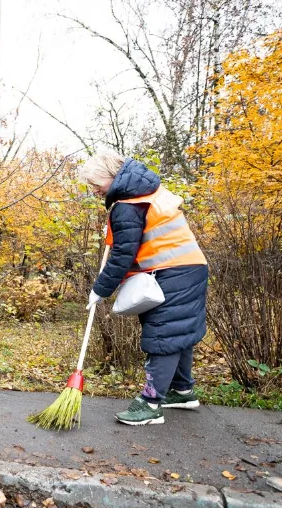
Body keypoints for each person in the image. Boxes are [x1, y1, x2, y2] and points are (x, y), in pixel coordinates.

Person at [79, 150, 208, 426]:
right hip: (189, 267)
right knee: (178, 331)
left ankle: (150, 404)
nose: (94, 191)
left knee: (163, 335)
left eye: (95, 184)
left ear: (110, 176)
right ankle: (182, 390)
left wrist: (100, 289)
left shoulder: (128, 204)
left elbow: (123, 255)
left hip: (173, 271)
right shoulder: (143, 193)